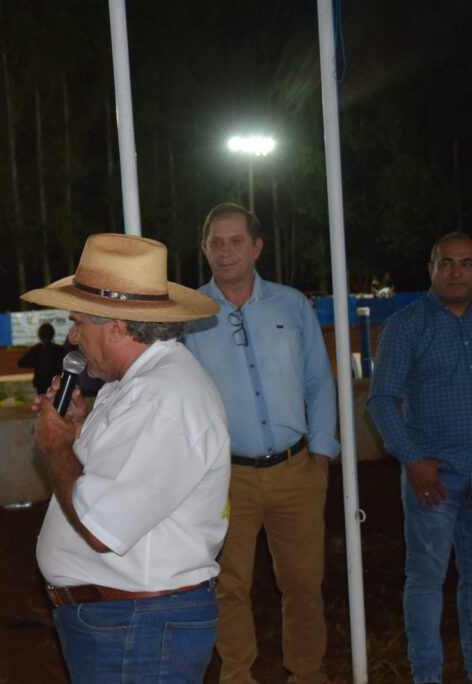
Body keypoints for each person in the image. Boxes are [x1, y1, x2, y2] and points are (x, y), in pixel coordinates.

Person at [22, 233, 230, 682]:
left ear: (117, 325)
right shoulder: (135, 385)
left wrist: (57, 445)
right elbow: (111, 477)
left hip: (137, 626)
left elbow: (101, 527)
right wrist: (77, 430)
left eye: (79, 323)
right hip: (130, 621)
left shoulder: (160, 398)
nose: (72, 337)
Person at [183, 203, 339, 684]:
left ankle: (307, 673)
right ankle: (236, 675)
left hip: (297, 471)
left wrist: (322, 452)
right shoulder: (190, 315)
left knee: (304, 584)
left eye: (236, 241)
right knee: (229, 585)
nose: (226, 251)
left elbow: (320, 381)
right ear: (205, 249)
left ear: (256, 247)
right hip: (226, 479)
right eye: (216, 242)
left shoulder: (293, 305)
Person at [367, 232, 472, 684]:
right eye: (446, 262)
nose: (456, 271)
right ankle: (427, 675)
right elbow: (381, 400)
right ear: (431, 268)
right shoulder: (407, 325)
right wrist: (411, 460)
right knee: (427, 581)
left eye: (466, 263)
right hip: (435, 478)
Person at [17, 322, 66, 395]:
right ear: (53, 334)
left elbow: (21, 363)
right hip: (56, 383)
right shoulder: (59, 349)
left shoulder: (36, 349)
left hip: (41, 384)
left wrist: (36, 362)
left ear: (39, 336)